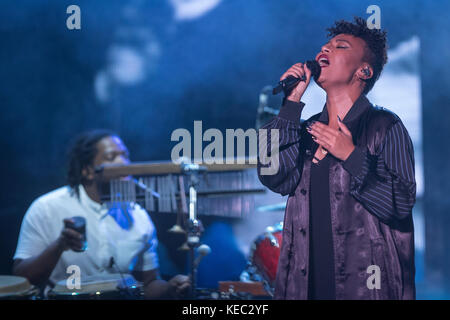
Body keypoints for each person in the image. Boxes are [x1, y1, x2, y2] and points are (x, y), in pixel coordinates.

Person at [258, 17, 416, 300]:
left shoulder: (384, 126)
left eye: (339, 46)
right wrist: (290, 105)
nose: (325, 49)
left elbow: (400, 203)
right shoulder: (304, 131)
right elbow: (273, 176)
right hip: (305, 287)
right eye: (326, 45)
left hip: (366, 288)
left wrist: (352, 156)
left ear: (364, 70)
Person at [13, 129, 190, 299]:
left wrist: (170, 288)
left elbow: (148, 284)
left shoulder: (138, 215)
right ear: (87, 171)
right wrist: (60, 245)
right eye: (111, 157)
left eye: (125, 155)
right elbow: (22, 279)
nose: (123, 163)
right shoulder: (46, 208)